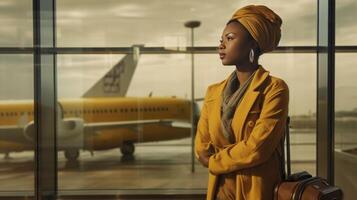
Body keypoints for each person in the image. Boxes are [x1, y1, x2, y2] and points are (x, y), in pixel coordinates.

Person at [194, 4, 289, 200]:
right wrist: (237, 155)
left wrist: (215, 161)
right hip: (220, 189)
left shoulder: (274, 89)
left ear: (253, 44)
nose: (221, 45)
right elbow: (201, 148)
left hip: (255, 189)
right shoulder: (213, 92)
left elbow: (258, 148)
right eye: (221, 40)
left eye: (229, 39)